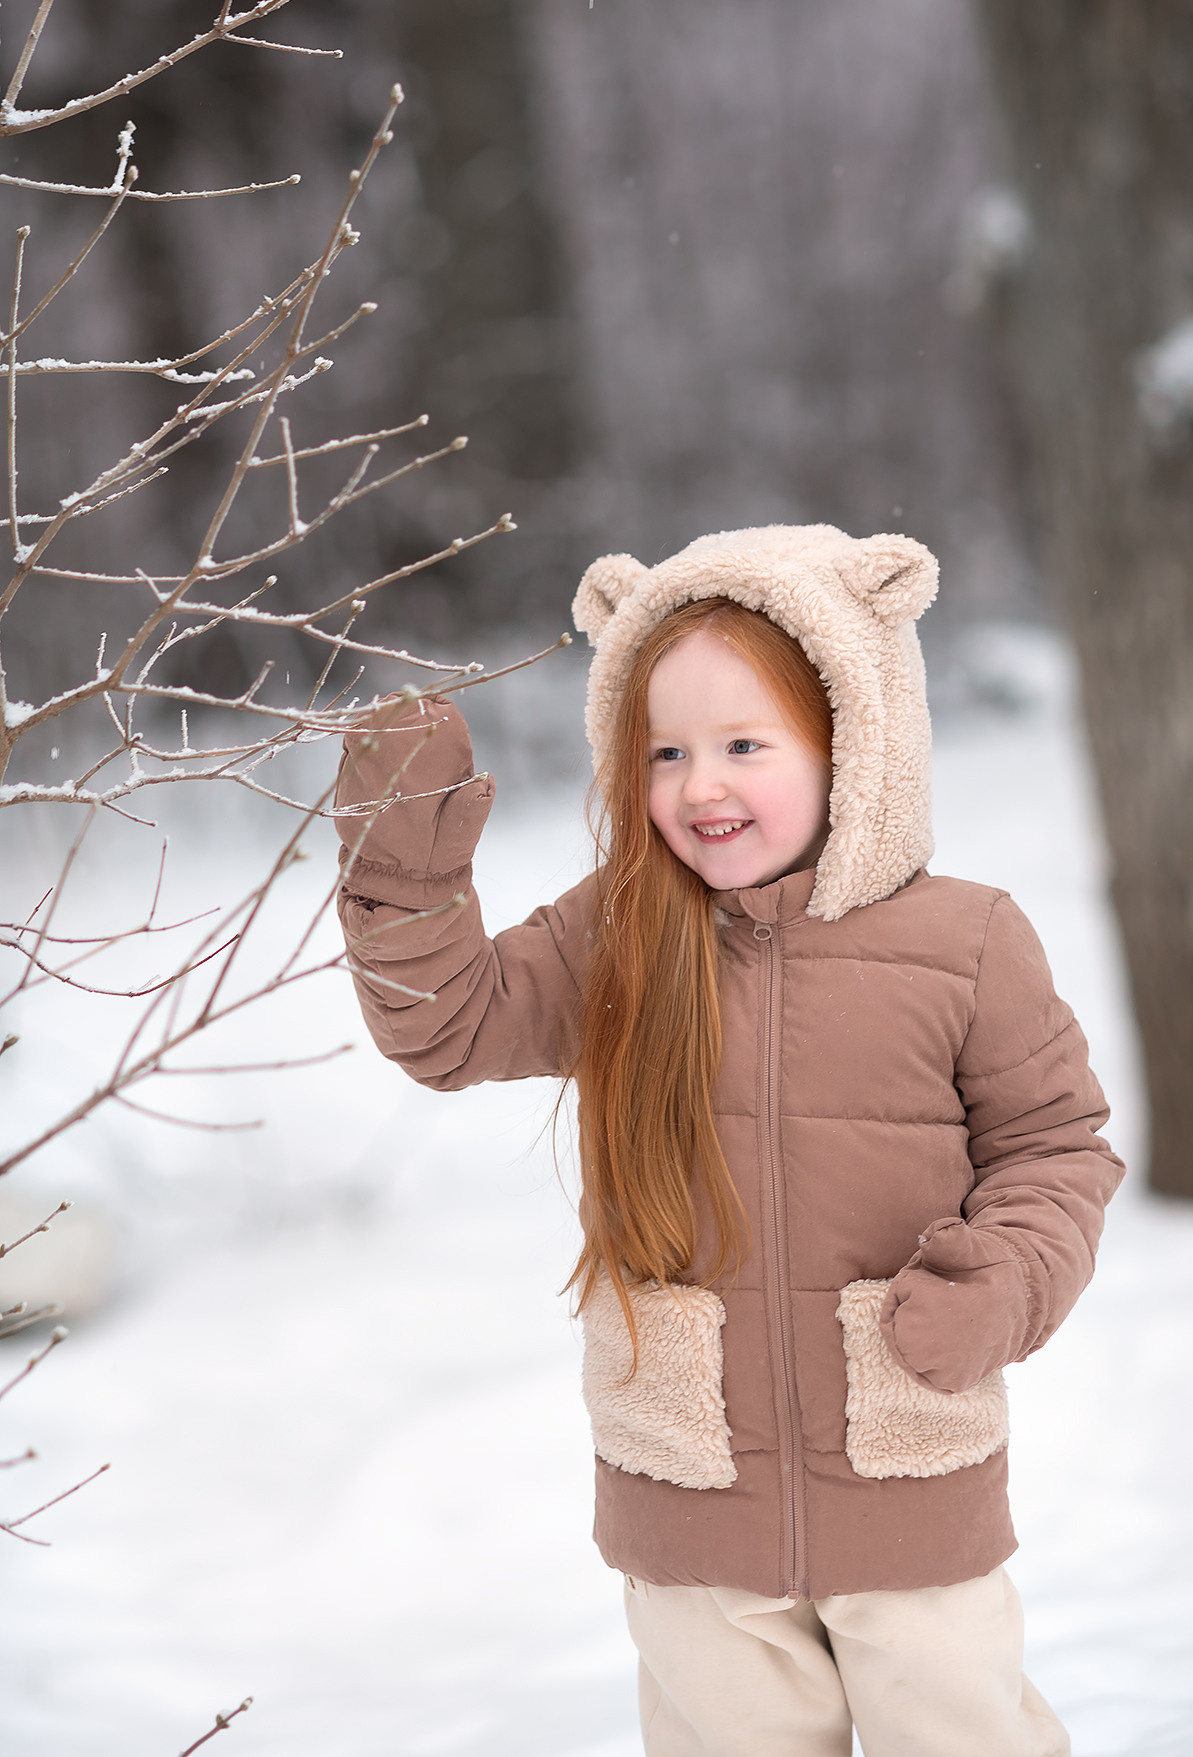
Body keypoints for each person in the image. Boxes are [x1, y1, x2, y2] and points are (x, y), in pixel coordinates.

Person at [334, 524, 1124, 1757]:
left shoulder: (967, 943)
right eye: (665, 752)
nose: (699, 786)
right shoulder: (621, 933)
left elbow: (1055, 1148)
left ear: (851, 741)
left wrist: (1008, 1280)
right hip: (689, 1493)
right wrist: (402, 877)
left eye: (743, 745)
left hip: (907, 1463)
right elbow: (452, 1032)